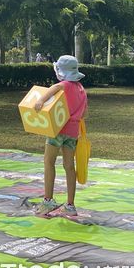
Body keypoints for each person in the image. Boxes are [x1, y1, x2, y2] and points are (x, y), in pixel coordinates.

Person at [33, 55, 88, 216]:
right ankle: (70, 205)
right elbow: (84, 113)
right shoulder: (81, 90)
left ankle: (48, 201)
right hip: (72, 132)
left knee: (48, 162)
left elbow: (53, 89)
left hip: (57, 129)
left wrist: (40, 101)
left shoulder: (63, 85)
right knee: (69, 166)